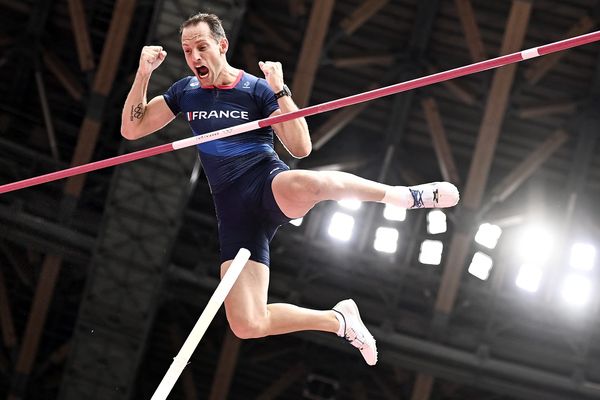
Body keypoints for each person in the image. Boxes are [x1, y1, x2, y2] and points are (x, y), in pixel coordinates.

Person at [120, 12, 459, 366]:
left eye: (201, 47)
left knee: (310, 183)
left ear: (222, 46)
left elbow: (301, 148)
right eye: (187, 50)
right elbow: (133, 128)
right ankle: (338, 320)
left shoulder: (254, 89)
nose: (194, 58)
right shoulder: (184, 93)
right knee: (247, 324)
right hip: (235, 215)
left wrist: (279, 90)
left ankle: (403, 196)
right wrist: (144, 73)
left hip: (266, 184)